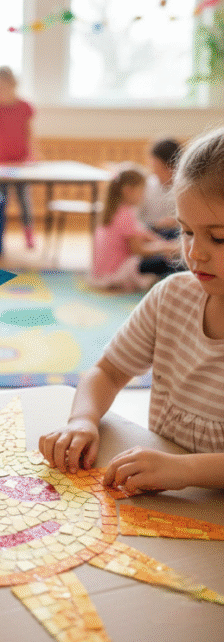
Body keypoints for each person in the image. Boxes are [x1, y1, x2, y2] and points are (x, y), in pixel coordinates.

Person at [40, 127, 224, 492]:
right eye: (186, 232)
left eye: (218, 237)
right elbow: (108, 371)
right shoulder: (171, 297)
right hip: (161, 508)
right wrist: (83, 420)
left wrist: (184, 471)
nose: (195, 253)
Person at [90, 167, 179, 291]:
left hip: (104, 271)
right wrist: (168, 247)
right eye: (142, 191)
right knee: (168, 263)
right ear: (128, 191)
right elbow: (138, 250)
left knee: (166, 238)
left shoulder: (115, 211)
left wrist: (163, 244)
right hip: (117, 273)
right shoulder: (125, 215)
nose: (143, 197)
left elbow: (143, 232)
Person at [0, 66, 38, 249]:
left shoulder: (25, 107)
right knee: (0, 201)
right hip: (0, 162)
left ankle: (29, 234)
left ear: (12, 84)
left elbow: (30, 132)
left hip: (21, 162)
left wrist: (33, 154)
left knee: (24, 200)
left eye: (1, 87)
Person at [139, 137, 182, 239]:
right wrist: (156, 225)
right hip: (151, 234)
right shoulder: (146, 186)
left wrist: (178, 221)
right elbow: (136, 221)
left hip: (179, 234)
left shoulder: (185, 186)